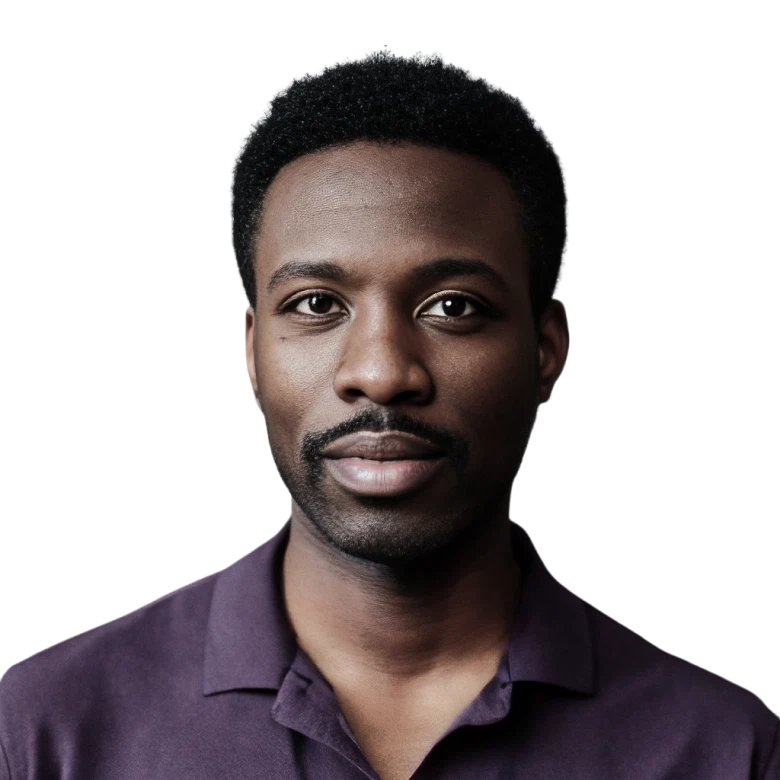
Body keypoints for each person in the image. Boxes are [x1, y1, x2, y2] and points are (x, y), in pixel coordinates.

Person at [1, 49, 776, 780]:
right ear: (250, 351)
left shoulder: (722, 750)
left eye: (453, 306)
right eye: (316, 304)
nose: (380, 373)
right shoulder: (43, 731)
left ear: (546, 350)